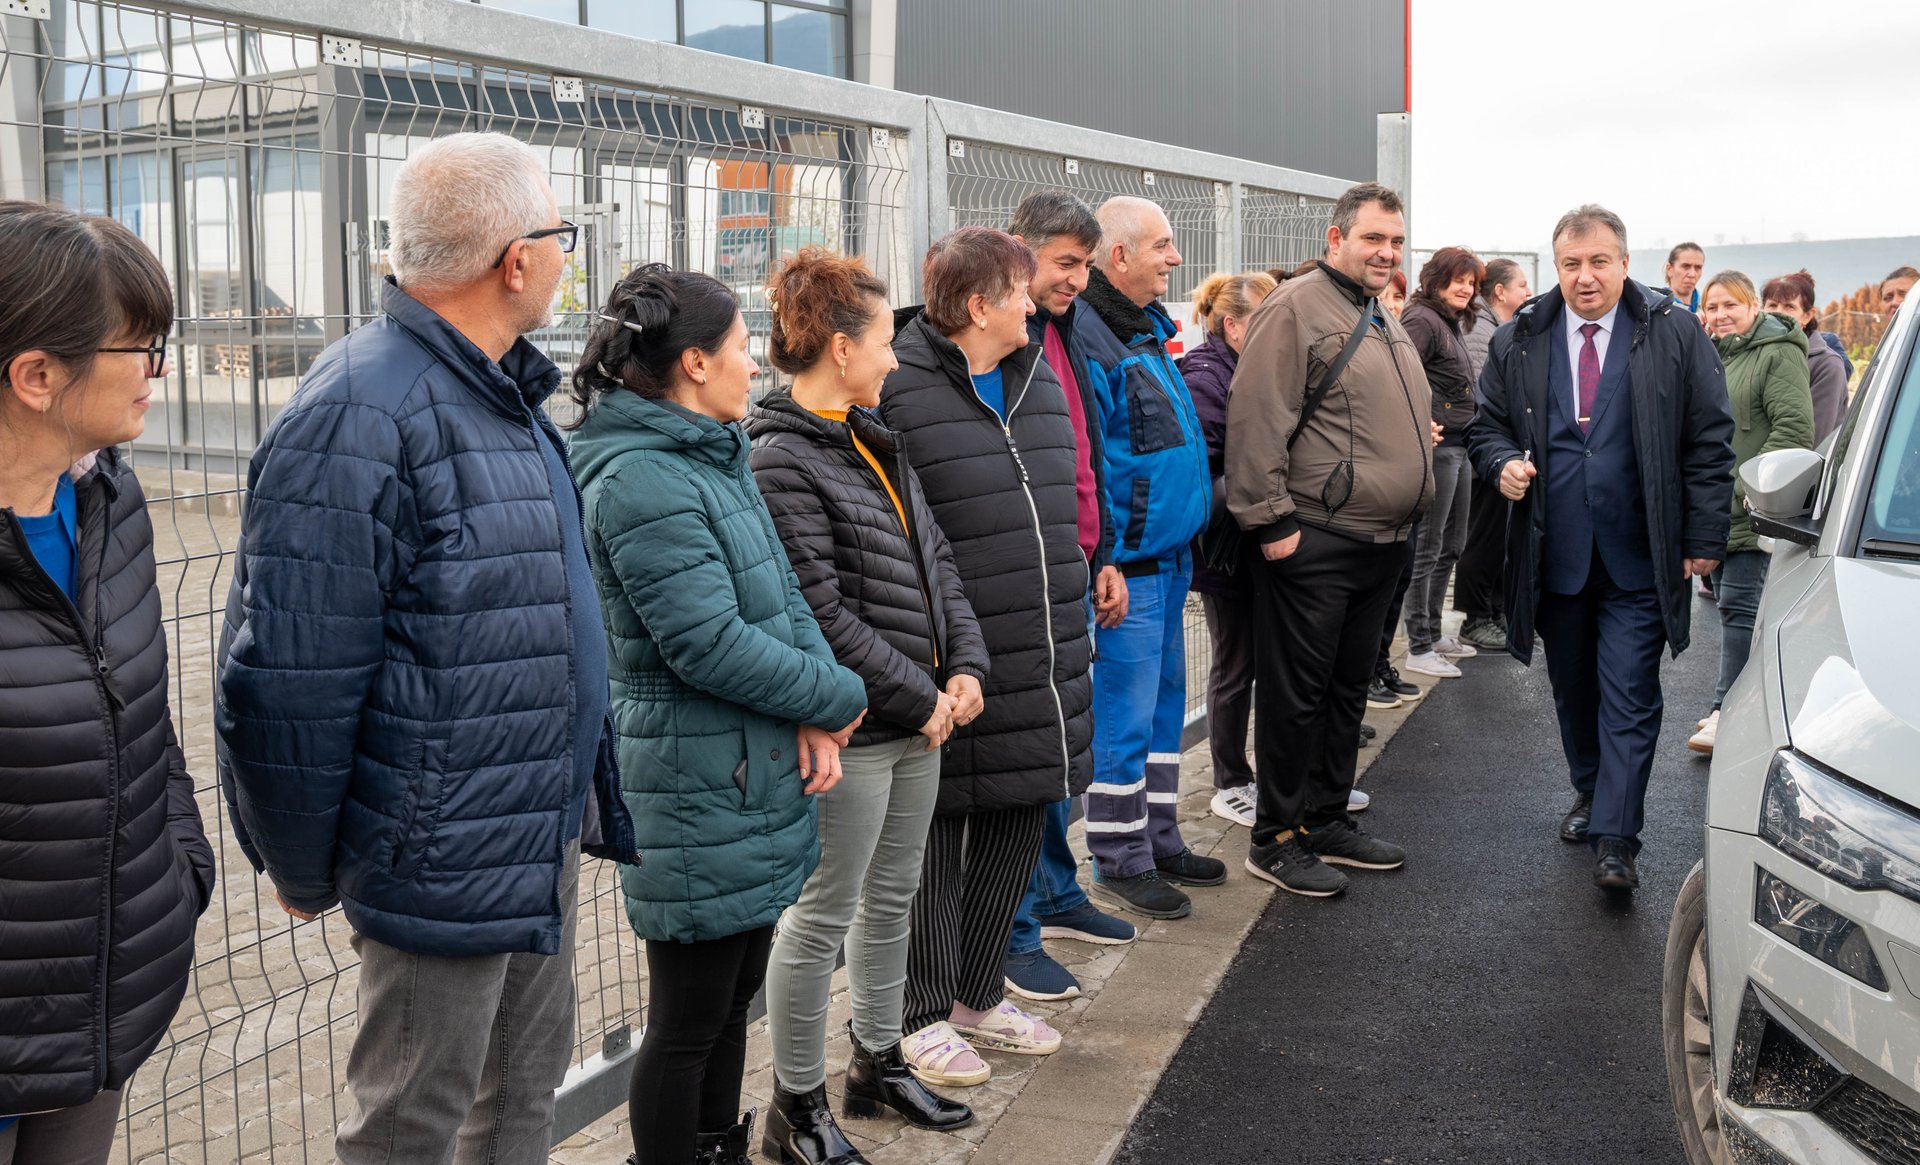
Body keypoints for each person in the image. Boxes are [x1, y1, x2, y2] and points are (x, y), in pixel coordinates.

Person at [217, 132, 640, 1165]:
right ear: (516, 259)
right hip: (435, 850)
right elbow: (287, 677)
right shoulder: (361, 408)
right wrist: (300, 861)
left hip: (524, 830)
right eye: (563, 234)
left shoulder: (500, 393)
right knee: (411, 1124)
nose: (568, 255)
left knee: (521, 1095)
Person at [565, 263, 868, 1165]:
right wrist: (838, 696)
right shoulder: (641, 478)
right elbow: (708, 642)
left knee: (730, 999)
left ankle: (716, 1150)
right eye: (741, 347)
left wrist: (816, 705)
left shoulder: (711, 452)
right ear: (695, 362)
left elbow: (782, 597)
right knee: (689, 1018)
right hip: (689, 776)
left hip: (740, 763)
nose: (755, 363)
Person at [747, 249, 987, 1162]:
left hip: (919, 722)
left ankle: (879, 1062)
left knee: (893, 898)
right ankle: (796, 1107)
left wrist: (965, 666)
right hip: (858, 729)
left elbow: (937, 562)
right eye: (885, 340)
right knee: (823, 914)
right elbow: (820, 611)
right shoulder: (781, 460)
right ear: (841, 348)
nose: (895, 357)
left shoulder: (873, 436)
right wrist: (921, 695)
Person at [0, 201, 214, 1165]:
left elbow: (141, 715)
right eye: (141, 347)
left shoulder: (107, 502)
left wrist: (179, 867)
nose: (156, 372)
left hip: (98, 1004)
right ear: (37, 376)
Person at [879, 226, 1093, 1086]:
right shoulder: (898, 386)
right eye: (1020, 295)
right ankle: (918, 1014)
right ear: (978, 306)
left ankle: (976, 996)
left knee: (1020, 807)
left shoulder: (1036, 375)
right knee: (935, 836)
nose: (1033, 309)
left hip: (1041, 645)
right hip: (952, 656)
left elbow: (1067, 493)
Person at [1469, 204, 1734, 893]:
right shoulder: (1521, 337)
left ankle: (1617, 836)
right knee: (1574, 687)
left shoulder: (1673, 332)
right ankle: (1590, 789)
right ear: (1556, 266)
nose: (1584, 277)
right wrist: (1501, 462)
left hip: (1640, 552)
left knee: (1630, 692)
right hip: (1554, 552)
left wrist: (1705, 534)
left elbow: (1710, 438)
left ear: (1624, 262)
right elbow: (1486, 427)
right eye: (1571, 264)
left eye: (1598, 262)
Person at [1226, 182, 1431, 898]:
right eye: (1373, 238)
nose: (1387, 252)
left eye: (1396, 241)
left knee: (1346, 690)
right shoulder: (1296, 307)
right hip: (1316, 538)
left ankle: (1325, 817)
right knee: (1297, 695)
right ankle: (1276, 837)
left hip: (1380, 541)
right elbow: (1256, 416)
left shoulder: (1375, 310)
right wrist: (1271, 523)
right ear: (1336, 238)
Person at [1000, 191, 1138, 1007]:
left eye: (1085, 265)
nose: (1079, 280)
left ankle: (1057, 891)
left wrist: (1104, 553)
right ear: (1017, 251)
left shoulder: (1066, 328)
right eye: (1065, 263)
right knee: (1022, 761)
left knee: (1058, 751)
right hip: (1023, 586)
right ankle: (1011, 931)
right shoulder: (994, 337)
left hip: (1075, 571)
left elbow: (1086, 453)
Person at [1074, 196, 1221, 921]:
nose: (1175, 258)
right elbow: (1090, 462)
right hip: (1127, 572)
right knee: (1123, 720)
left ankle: (1158, 838)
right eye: (1162, 245)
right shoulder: (1093, 337)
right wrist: (1106, 555)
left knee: (1161, 715)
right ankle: (1119, 857)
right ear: (1120, 255)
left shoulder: (1140, 329)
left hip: (1166, 560)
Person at [1687, 272, 1813, 756]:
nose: (1721, 315)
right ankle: (1743, 708)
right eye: (1713, 307)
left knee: (1739, 610)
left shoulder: (1777, 352)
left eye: (1731, 306)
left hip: (1747, 505)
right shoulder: (1717, 354)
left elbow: (1793, 428)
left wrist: (1749, 487)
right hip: (1716, 506)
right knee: (1732, 607)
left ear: (1753, 307)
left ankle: (1727, 711)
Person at [1181, 270, 1278, 828]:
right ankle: (1230, 780)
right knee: (1235, 663)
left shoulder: (1246, 368)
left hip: (1253, 537)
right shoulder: (1204, 375)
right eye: (1266, 322)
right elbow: (1208, 464)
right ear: (1234, 326)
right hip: (1226, 546)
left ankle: (1257, 773)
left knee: (1254, 660)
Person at [1398, 247, 1487, 679]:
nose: (1466, 289)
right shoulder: (1421, 319)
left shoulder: (1448, 321)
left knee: (1452, 545)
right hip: (1437, 446)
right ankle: (1418, 645)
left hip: (1460, 443)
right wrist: (1420, 424)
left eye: (1472, 283)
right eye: (1459, 280)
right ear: (1436, 279)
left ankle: (1433, 634)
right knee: (1428, 548)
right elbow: (1400, 376)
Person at [1456, 258, 1533, 650]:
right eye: (1522, 285)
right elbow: (1484, 396)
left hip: (1503, 453)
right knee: (1483, 539)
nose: (1529, 292)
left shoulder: (1498, 327)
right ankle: (1476, 618)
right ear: (1500, 291)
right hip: (1486, 455)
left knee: (1499, 539)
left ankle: (1496, 613)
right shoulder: (1481, 331)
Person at [1761, 270, 1850, 441]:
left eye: (1789, 307)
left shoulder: (1827, 365)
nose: (1778, 313)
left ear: (1807, 315)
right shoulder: (1752, 353)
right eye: (1772, 305)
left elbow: (1813, 438)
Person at [1659, 243, 1706, 313]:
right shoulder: (1656, 309)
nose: (1692, 274)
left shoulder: (1709, 308)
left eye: (1698, 267)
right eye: (1686, 266)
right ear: (1669, 269)